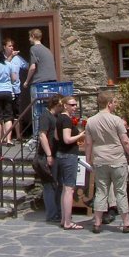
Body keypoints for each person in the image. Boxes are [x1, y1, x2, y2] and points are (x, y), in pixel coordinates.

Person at [83, 91, 129, 234]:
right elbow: (125, 141)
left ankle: (97, 223)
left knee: (101, 191)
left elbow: (88, 143)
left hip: (100, 159)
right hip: (116, 159)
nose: (115, 104)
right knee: (120, 191)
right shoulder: (116, 120)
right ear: (109, 103)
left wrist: (88, 157)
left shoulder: (90, 121)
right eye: (114, 102)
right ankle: (126, 223)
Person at [56, 96, 86, 230]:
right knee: (69, 189)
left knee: (65, 188)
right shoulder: (66, 119)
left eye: (75, 105)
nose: (75, 107)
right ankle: (68, 221)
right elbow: (67, 139)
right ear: (65, 105)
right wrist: (81, 135)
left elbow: (57, 137)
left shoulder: (59, 119)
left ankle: (64, 219)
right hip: (68, 155)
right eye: (72, 105)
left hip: (61, 154)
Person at [37, 94, 63, 222]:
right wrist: (48, 155)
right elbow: (42, 135)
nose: (62, 107)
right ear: (55, 104)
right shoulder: (45, 116)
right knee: (49, 185)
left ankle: (58, 212)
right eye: (60, 105)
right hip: (46, 155)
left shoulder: (57, 116)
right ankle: (52, 214)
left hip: (56, 153)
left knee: (57, 185)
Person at [3, 38, 28, 140]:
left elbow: (27, 66)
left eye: (12, 46)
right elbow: (2, 67)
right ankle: (6, 136)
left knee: (17, 113)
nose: (11, 48)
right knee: (6, 114)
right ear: (4, 47)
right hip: (6, 90)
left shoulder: (18, 59)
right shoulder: (1, 59)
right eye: (9, 46)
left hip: (16, 90)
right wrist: (10, 57)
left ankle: (18, 135)